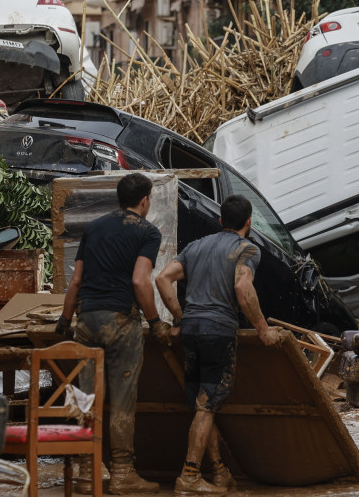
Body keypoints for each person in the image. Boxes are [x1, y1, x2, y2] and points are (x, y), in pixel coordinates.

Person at [155, 195, 281, 495]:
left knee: (202, 404)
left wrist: (180, 317)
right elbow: (242, 286)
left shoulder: (195, 247)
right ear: (249, 222)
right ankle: (189, 476)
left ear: (221, 220)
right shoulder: (247, 249)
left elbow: (162, 279)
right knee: (207, 405)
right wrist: (263, 330)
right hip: (218, 331)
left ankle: (220, 472)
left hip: (192, 331)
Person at [57, 172, 165, 494]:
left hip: (86, 321)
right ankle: (122, 474)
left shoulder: (93, 228)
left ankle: (87, 471)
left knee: (86, 399)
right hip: (120, 323)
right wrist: (156, 321)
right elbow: (139, 281)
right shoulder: (148, 232)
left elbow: (75, 282)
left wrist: (64, 321)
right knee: (121, 401)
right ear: (145, 200)